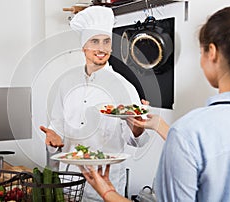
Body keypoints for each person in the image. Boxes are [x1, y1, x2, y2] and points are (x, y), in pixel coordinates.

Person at [79, 5, 230, 201]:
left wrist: (108, 192)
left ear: (212, 53)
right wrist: (158, 124)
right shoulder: (190, 133)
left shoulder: (189, 131)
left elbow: (192, 143)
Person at [39, 6, 151, 201]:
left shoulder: (124, 87)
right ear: (84, 47)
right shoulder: (67, 83)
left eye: (106, 41)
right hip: (69, 181)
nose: (101, 48)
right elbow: (56, 128)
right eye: (94, 41)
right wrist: (53, 140)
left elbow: (136, 140)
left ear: (111, 46)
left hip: (105, 184)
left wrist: (138, 127)